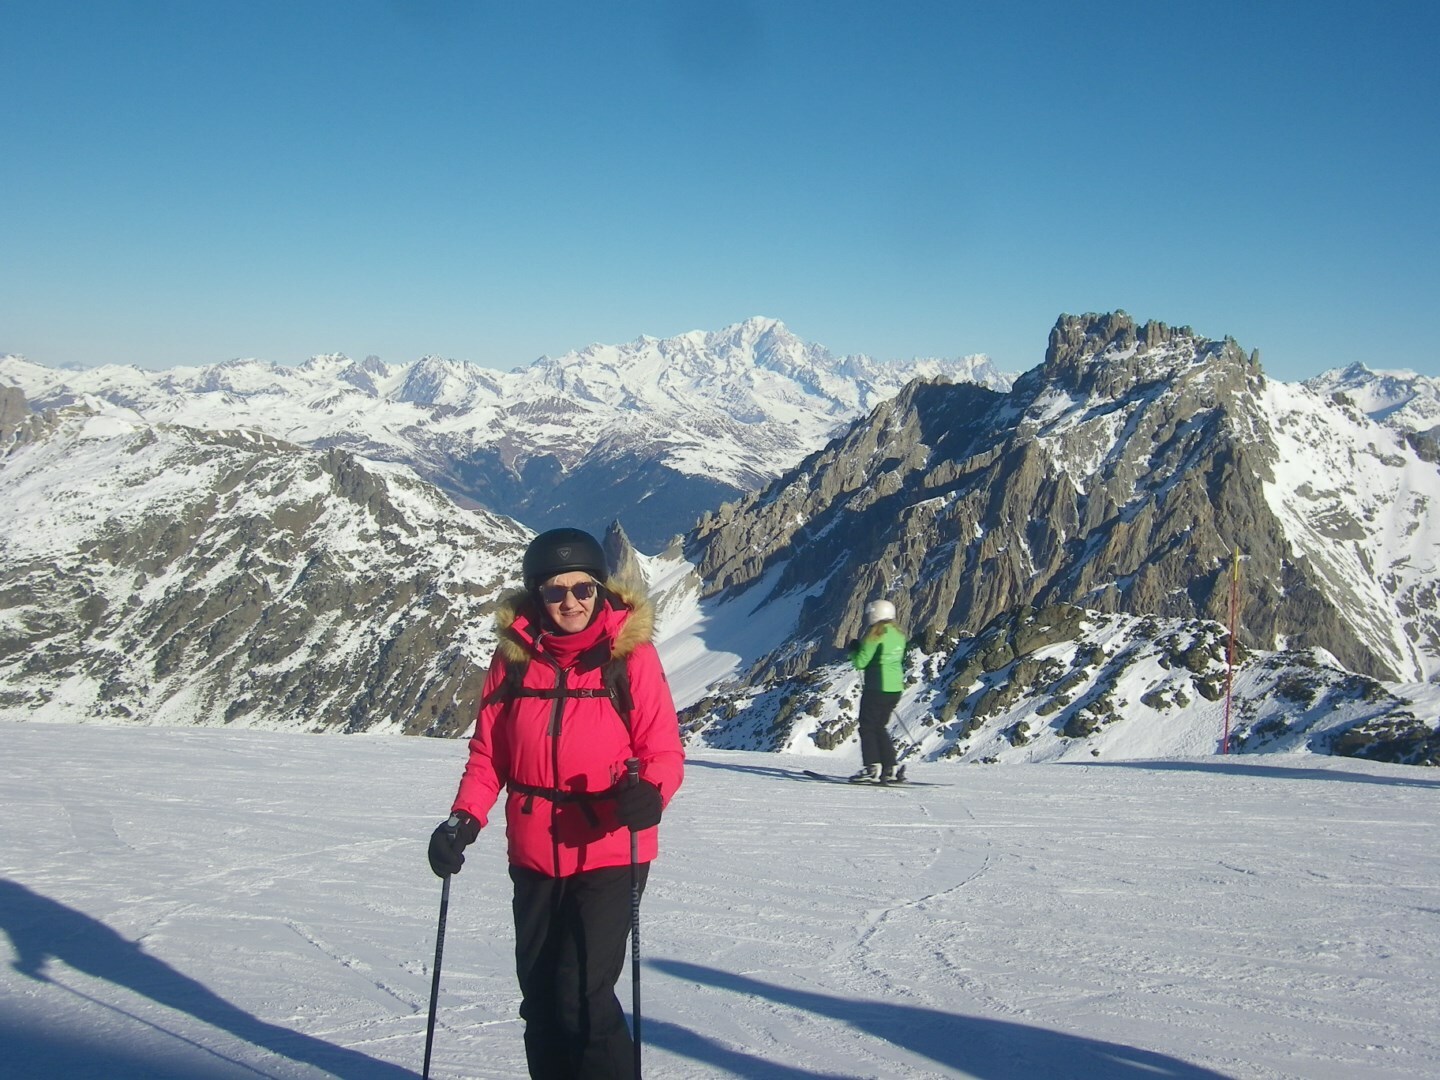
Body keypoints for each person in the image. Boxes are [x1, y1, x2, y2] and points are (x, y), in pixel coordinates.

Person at [427, 526, 685, 1079]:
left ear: (600, 590)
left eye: (583, 588)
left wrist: (651, 793)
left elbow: (662, 749)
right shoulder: (514, 660)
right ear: (537, 595)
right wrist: (462, 819)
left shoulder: (629, 657)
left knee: (583, 996)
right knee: (542, 998)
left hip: (609, 848)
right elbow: (489, 754)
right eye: (555, 590)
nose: (571, 602)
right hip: (534, 852)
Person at [848, 598, 907, 784]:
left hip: (876, 687)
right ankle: (890, 767)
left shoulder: (875, 634)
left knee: (868, 727)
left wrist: (854, 650)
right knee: (879, 727)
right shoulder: (899, 634)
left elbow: (861, 662)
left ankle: (872, 768)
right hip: (894, 688)